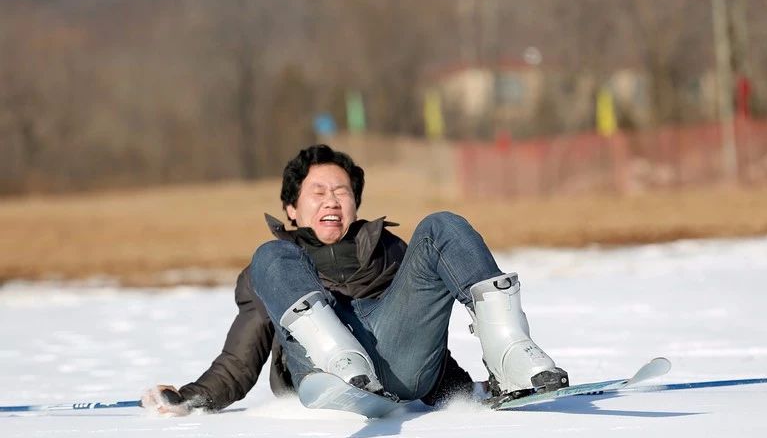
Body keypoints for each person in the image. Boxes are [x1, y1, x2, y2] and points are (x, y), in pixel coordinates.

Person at [142, 145, 567, 415]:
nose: (332, 200)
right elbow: (240, 359)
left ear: (356, 202)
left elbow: (421, 328)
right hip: (317, 371)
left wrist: (462, 395)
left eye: (342, 191)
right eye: (318, 192)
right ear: (292, 208)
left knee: (442, 225)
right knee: (269, 254)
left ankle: (512, 356)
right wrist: (193, 396)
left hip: (396, 372)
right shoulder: (272, 268)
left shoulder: (390, 249)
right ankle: (340, 361)